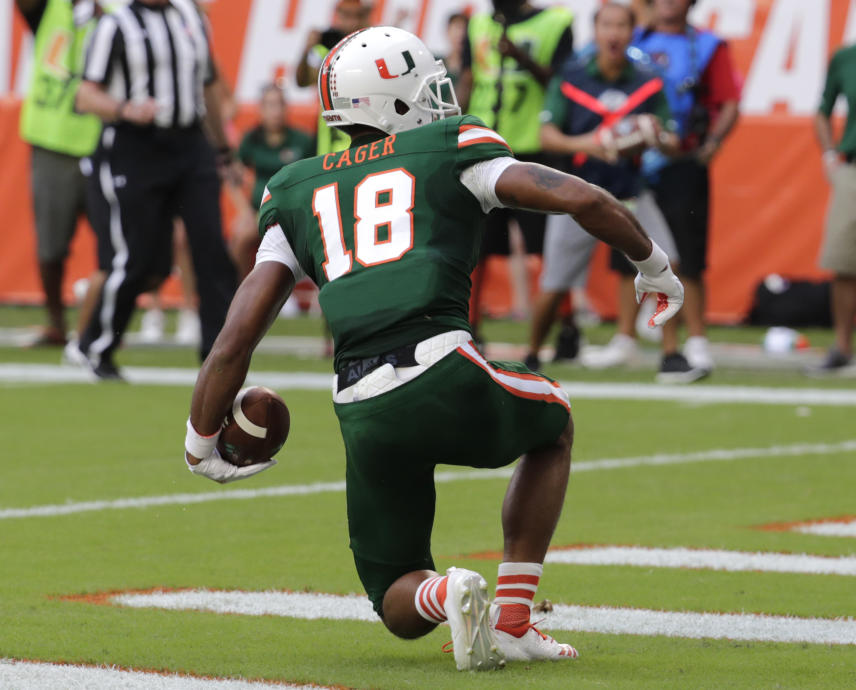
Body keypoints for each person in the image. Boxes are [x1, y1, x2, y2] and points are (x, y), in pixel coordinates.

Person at [184, 27, 683, 670]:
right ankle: (511, 618)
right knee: (552, 421)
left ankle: (445, 592)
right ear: (392, 101)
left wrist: (201, 441)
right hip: (440, 364)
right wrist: (654, 267)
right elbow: (579, 195)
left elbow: (236, 336)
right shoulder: (450, 149)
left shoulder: (293, 189)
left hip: (360, 404)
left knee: (395, 598)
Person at [528, 2, 701, 382]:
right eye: (607, 25)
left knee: (666, 263)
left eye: (622, 25)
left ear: (631, 31)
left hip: (630, 192)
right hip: (578, 193)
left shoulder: (647, 79)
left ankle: (671, 356)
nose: (614, 33)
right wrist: (589, 143)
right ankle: (530, 356)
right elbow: (547, 136)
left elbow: (673, 138)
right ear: (597, 30)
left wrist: (656, 136)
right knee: (555, 283)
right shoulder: (572, 76)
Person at [68, 0, 237, 379]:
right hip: (135, 145)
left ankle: (219, 356)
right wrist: (125, 108)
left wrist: (222, 148)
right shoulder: (115, 25)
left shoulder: (191, 15)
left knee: (211, 249)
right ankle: (96, 346)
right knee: (141, 259)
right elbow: (84, 95)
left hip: (191, 144)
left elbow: (207, 84)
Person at [631, 0, 741, 376]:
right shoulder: (632, 41)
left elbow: (729, 101)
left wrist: (712, 144)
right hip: (634, 161)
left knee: (688, 255)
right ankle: (624, 337)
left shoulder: (707, 45)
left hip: (682, 161)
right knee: (627, 247)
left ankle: (696, 340)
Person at [458, 0, 574, 346]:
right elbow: (468, 78)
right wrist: (453, 129)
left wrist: (523, 58)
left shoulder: (555, 22)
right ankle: (469, 326)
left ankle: (566, 325)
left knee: (545, 246)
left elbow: (564, 83)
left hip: (532, 148)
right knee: (477, 246)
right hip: (482, 147)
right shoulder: (478, 24)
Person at [17, 0, 106, 346]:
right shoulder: (48, 7)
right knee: (51, 246)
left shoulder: (116, 10)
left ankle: (102, 322)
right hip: (52, 142)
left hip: (104, 142)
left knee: (121, 246)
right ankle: (57, 322)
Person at [234, 84, 314, 273]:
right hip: (259, 212)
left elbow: (312, 179)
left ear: (286, 107)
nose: (275, 111)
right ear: (260, 109)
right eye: (270, 105)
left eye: (279, 104)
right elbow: (233, 176)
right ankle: (242, 291)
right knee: (240, 236)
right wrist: (243, 210)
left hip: (294, 213)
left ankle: (294, 294)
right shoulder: (251, 139)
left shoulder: (302, 140)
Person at [811, 41, 856, 372]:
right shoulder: (845, 58)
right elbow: (823, 110)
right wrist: (829, 155)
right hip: (853, 168)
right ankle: (842, 346)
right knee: (844, 260)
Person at [294, 0, 371, 156]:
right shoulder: (324, 44)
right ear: (338, 16)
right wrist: (307, 49)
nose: (352, 21)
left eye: (357, 15)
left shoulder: (371, 43)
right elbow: (302, 81)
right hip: (332, 135)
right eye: (347, 15)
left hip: (367, 127)